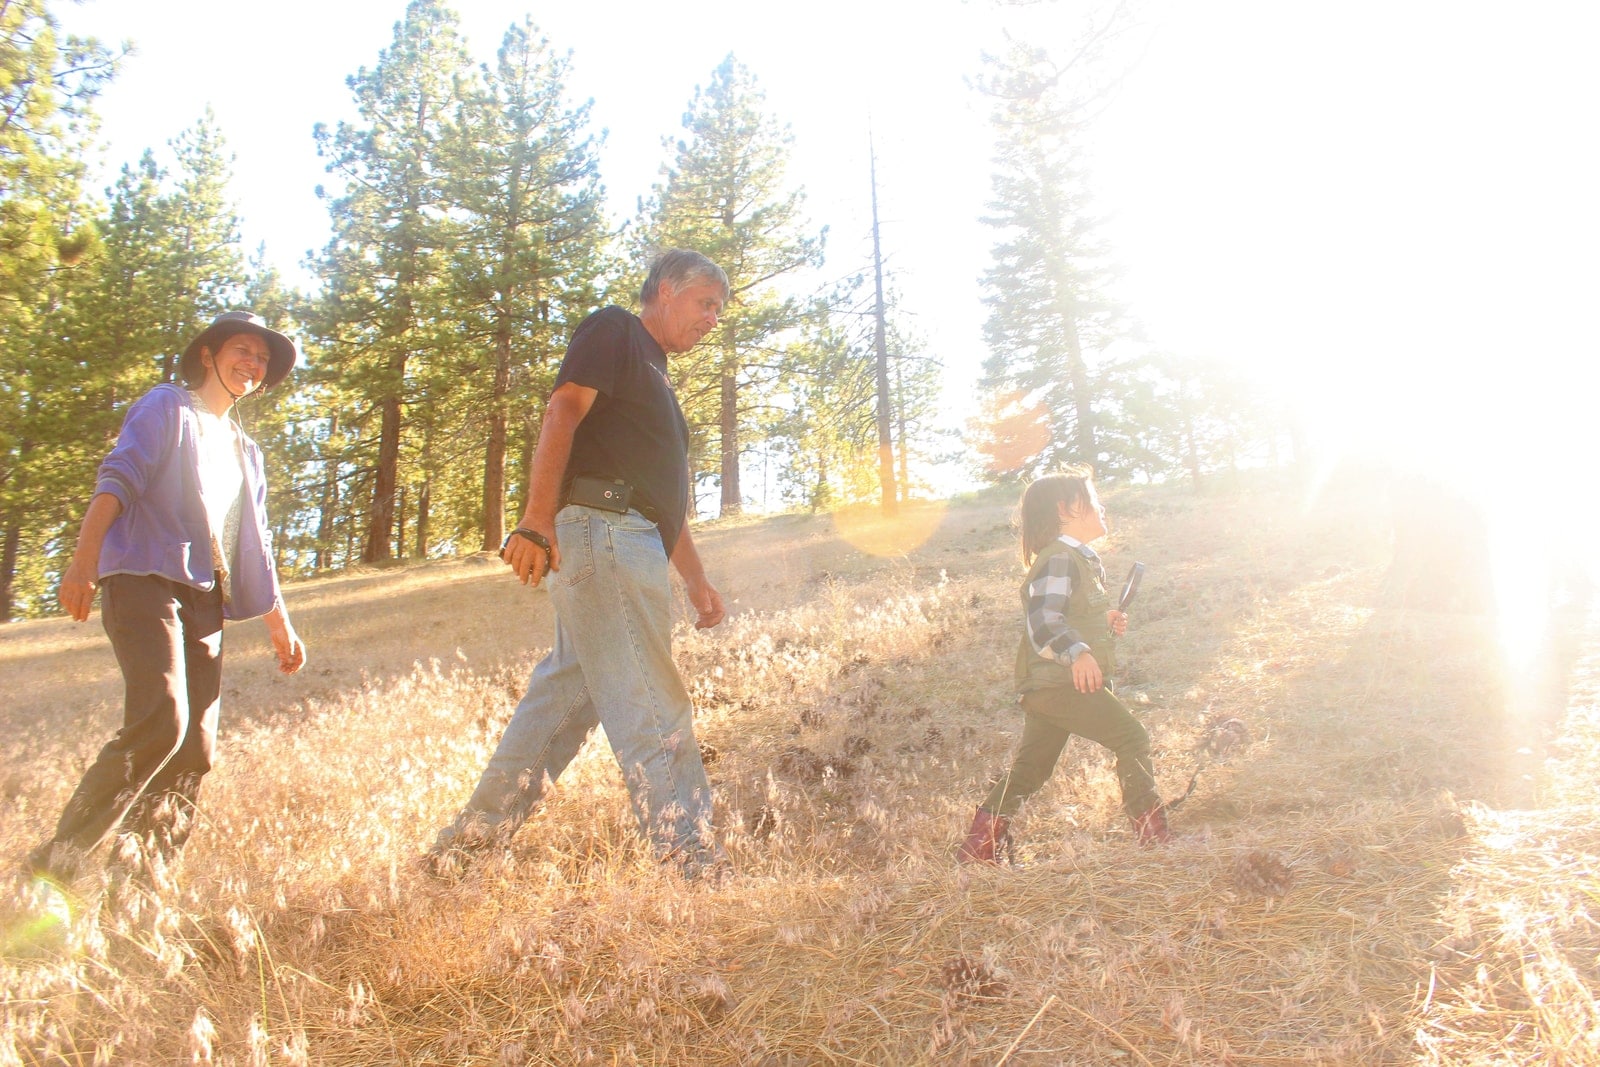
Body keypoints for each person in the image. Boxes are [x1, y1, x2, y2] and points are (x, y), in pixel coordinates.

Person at [426, 249, 729, 880]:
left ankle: (462, 853)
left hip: (627, 538)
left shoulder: (662, 387)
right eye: (705, 303)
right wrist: (536, 518)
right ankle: (695, 869)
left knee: (562, 704)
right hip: (604, 535)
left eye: (718, 311)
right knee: (650, 699)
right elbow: (562, 408)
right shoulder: (615, 329)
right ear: (666, 290)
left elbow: (663, 502)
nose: (712, 319)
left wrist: (697, 582)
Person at [27, 311, 308, 885]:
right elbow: (118, 477)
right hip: (142, 578)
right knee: (163, 719)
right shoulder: (167, 408)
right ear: (208, 355)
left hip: (205, 598)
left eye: (261, 359)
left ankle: (137, 895)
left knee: (196, 749)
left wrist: (279, 622)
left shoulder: (246, 452)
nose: (251, 364)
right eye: (241, 350)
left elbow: (255, 543)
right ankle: (52, 870)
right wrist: (83, 564)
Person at [957, 466, 1169, 864]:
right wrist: (1079, 653)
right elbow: (1043, 621)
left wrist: (1099, 622)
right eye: (1093, 500)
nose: (1102, 507)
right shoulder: (1058, 559)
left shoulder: (1078, 560)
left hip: (1047, 688)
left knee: (1030, 770)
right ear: (1067, 508)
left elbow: (1066, 614)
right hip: (1059, 685)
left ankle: (977, 850)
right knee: (1133, 738)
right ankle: (1155, 839)